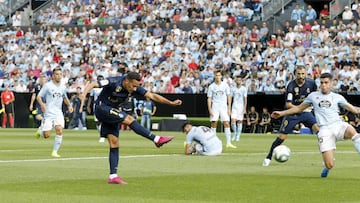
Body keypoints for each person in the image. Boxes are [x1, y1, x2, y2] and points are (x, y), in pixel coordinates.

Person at [79, 71, 182, 184]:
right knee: (129, 119)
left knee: (114, 143)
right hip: (102, 108)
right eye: (133, 86)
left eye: (136, 86)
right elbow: (93, 84)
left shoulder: (134, 87)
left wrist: (171, 103)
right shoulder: (113, 81)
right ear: (126, 81)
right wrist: (84, 93)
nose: (134, 89)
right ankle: (156, 139)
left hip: (112, 111)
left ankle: (113, 176)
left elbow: (152, 95)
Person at [271, 73, 360, 178]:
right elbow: (299, 108)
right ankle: (327, 167)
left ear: (331, 83)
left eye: (326, 83)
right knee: (330, 164)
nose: (323, 85)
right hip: (324, 130)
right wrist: (281, 113)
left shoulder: (337, 97)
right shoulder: (313, 96)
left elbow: (354, 109)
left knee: (352, 132)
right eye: (321, 83)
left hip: (337, 125)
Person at [262, 65, 319, 166]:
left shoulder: (311, 83)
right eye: (299, 74)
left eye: (303, 74)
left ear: (306, 74)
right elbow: (288, 104)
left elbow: (316, 95)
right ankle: (268, 157)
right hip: (292, 113)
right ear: (295, 74)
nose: (301, 76)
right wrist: (301, 107)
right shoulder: (291, 85)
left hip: (306, 113)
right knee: (281, 137)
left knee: (320, 133)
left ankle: (326, 156)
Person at [35, 68, 74, 158]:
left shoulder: (63, 87)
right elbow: (39, 97)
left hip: (58, 112)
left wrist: (69, 105)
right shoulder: (47, 86)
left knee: (59, 130)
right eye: (56, 74)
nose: (59, 76)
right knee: (46, 135)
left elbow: (64, 97)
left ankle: (54, 152)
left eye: (60, 74)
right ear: (53, 76)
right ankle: (41, 130)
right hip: (48, 112)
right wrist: (42, 105)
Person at [207, 70, 236, 148]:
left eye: (219, 75)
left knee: (226, 123)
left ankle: (228, 143)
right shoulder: (211, 86)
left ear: (221, 76)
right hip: (215, 107)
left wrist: (229, 107)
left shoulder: (225, 85)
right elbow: (209, 98)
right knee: (214, 123)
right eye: (216, 75)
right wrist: (210, 109)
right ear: (214, 76)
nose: (218, 77)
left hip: (223, 106)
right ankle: (213, 142)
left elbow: (229, 96)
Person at [87, 75, 104, 142]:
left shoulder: (105, 87)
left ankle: (102, 135)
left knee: (103, 120)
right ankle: (101, 133)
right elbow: (91, 97)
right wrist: (88, 106)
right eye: (99, 79)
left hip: (104, 105)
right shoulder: (94, 88)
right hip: (96, 105)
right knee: (97, 121)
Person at [230, 75, 247, 141]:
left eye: (240, 80)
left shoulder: (244, 89)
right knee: (233, 121)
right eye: (237, 80)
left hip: (241, 107)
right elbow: (230, 98)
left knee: (240, 121)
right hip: (234, 107)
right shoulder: (233, 89)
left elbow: (245, 99)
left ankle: (238, 136)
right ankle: (235, 133)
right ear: (236, 81)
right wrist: (229, 107)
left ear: (241, 81)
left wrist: (245, 108)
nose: (238, 81)